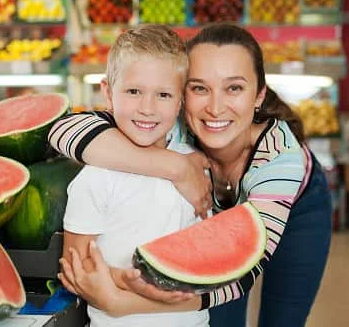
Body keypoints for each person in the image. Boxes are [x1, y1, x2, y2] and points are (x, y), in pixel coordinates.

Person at [49, 22, 332, 327]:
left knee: (283, 319)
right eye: (199, 88)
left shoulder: (280, 159)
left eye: (234, 88)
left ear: (259, 95)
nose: (215, 108)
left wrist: (121, 304)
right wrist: (176, 166)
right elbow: (63, 130)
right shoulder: (170, 116)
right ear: (183, 94)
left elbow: (240, 277)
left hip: (296, 209)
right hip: (212, 217)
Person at [63, 24, 209, 327]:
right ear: (107, 93)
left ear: (181, 100)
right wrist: (125, 280)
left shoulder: (195, 166)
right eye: (133, 91)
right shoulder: (95, 178)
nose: (147, 108)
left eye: (164, 95)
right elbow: (75, 265)